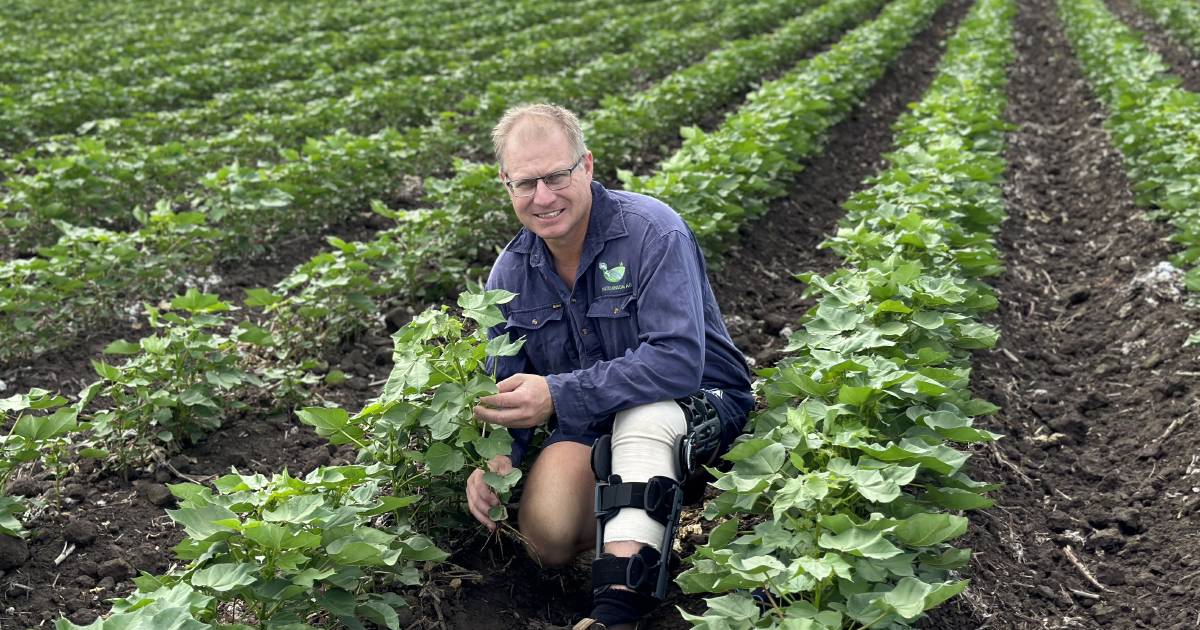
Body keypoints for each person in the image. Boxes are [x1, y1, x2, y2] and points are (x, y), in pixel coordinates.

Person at [465, 103, 754, 630]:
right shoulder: (510, 272)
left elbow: (678, 362)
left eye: (556, 176)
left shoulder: (652, 232)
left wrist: (555, 394)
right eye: (526, 183)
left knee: (642, 421)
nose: (544, 197)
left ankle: (617, 610)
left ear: (588, 166)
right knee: (547, 536)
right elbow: (502, 385)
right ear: (506, 185)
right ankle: (633, 504)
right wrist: (499, 457)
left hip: (698, 402)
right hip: (593, 422)